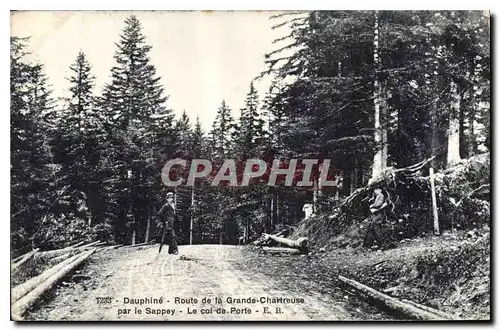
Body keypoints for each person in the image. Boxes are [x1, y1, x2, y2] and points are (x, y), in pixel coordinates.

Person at [156, 191, 179, 255]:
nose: (170, 199)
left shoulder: (173, 205)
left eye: (171, 198)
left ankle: (170, 251)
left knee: (172, 236)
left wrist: (176, 221)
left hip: (173, 223)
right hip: (168, 224)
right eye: (169, 198)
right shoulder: (166, 206)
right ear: (167, 199)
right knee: (173, 236)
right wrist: (164, 221)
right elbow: (159, 214)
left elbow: (174, 214)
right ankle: (175, 250)